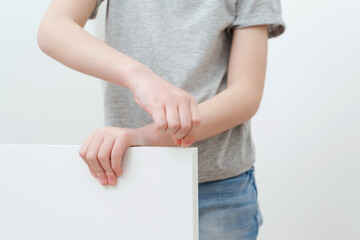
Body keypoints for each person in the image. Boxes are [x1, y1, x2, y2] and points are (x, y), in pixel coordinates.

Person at [37, 0, 286, 239]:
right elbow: (53, 28)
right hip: (132, 174)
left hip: (217, 187)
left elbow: (245, 95)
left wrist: (144, 136)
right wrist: (141, 78)